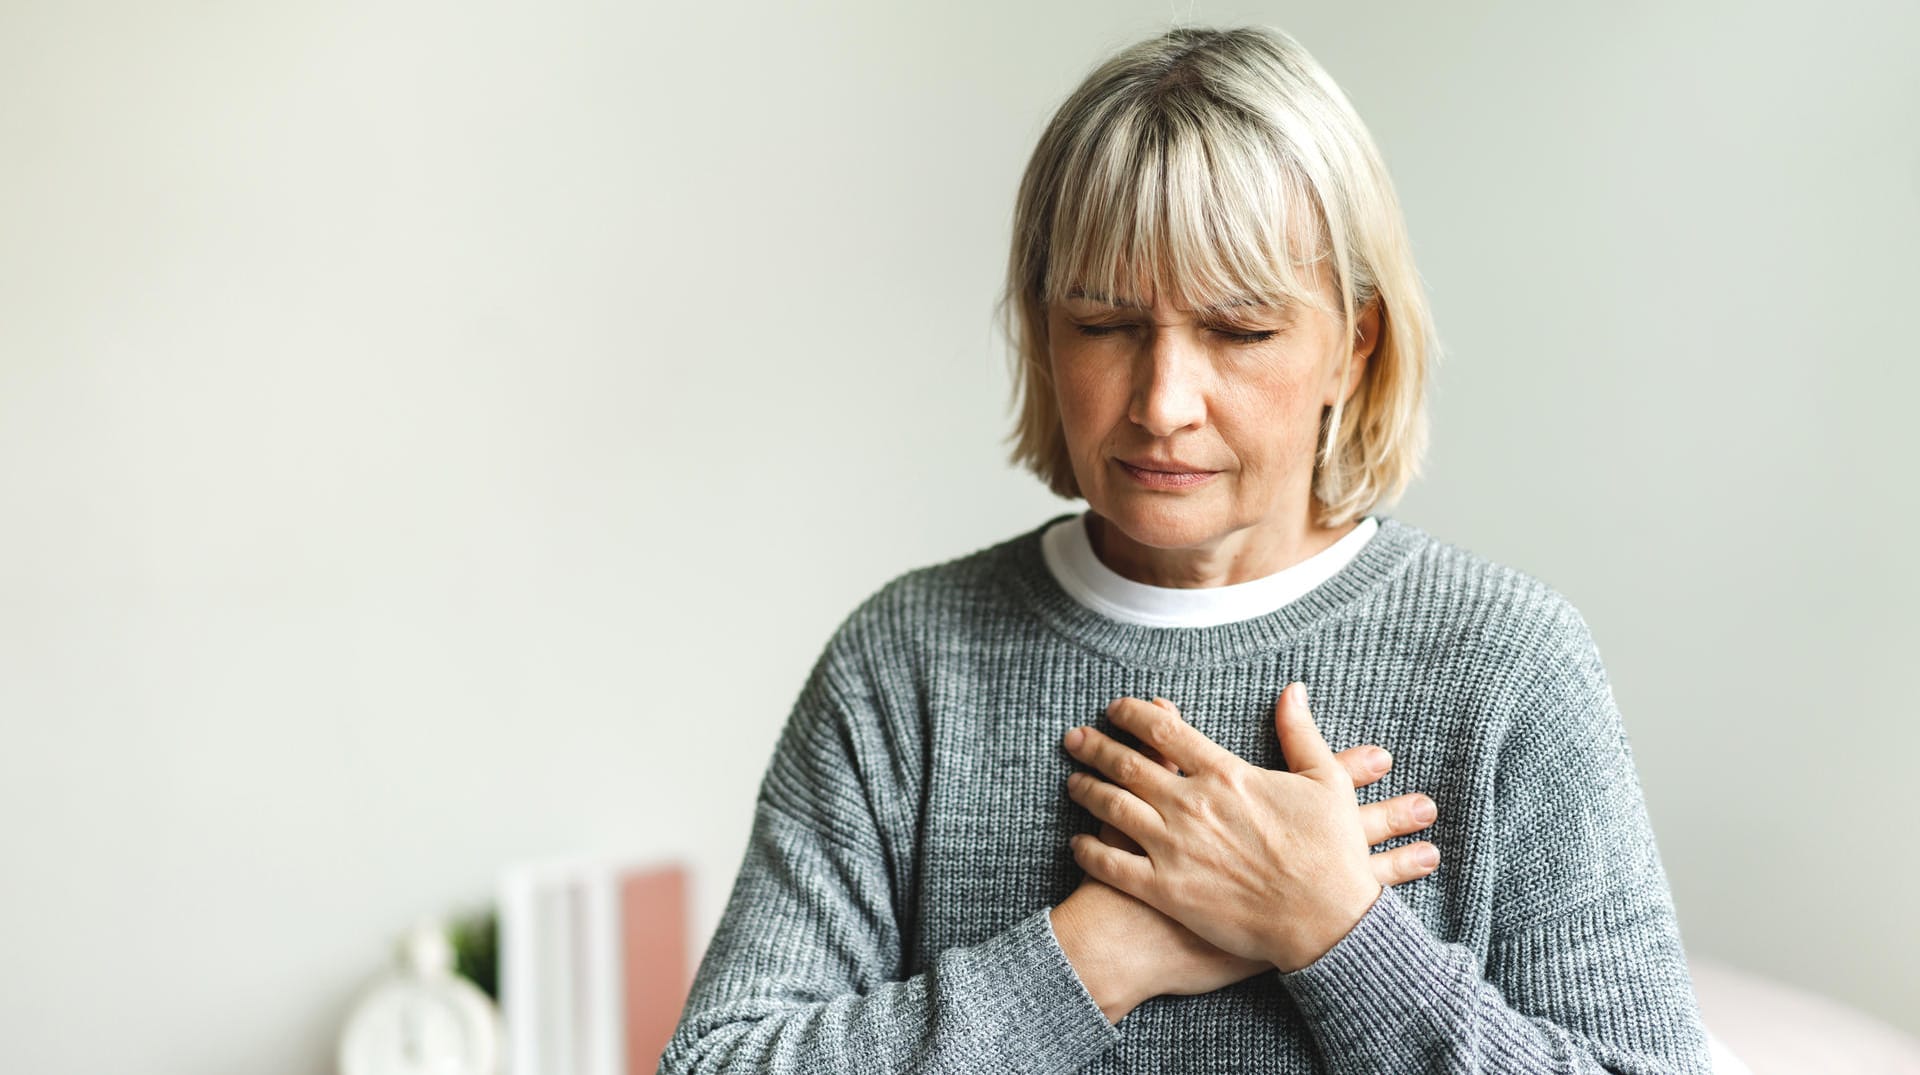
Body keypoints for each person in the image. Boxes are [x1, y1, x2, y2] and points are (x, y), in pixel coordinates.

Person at [658, 23, 1712, 1075]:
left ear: (1356, 342)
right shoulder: (907, 662)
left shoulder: (1510, 666)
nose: (1163, 405)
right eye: (1106, 325)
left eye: (1239, 332)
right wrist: (1098, 954)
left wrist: (1338, 935)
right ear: (1042, 330)